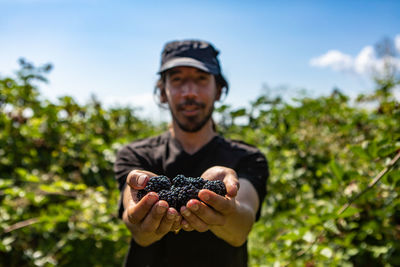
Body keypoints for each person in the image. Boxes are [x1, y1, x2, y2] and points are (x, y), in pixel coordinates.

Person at [114, 39, 269, 267]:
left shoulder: (247, 157)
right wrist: (141, 209)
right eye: (177, 80)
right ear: (163, 92)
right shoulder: (135, 155)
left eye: (201, 79)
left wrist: (229, 209)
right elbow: (137, 227)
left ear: (218, 90)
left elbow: (240, 229)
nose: (189, 92)